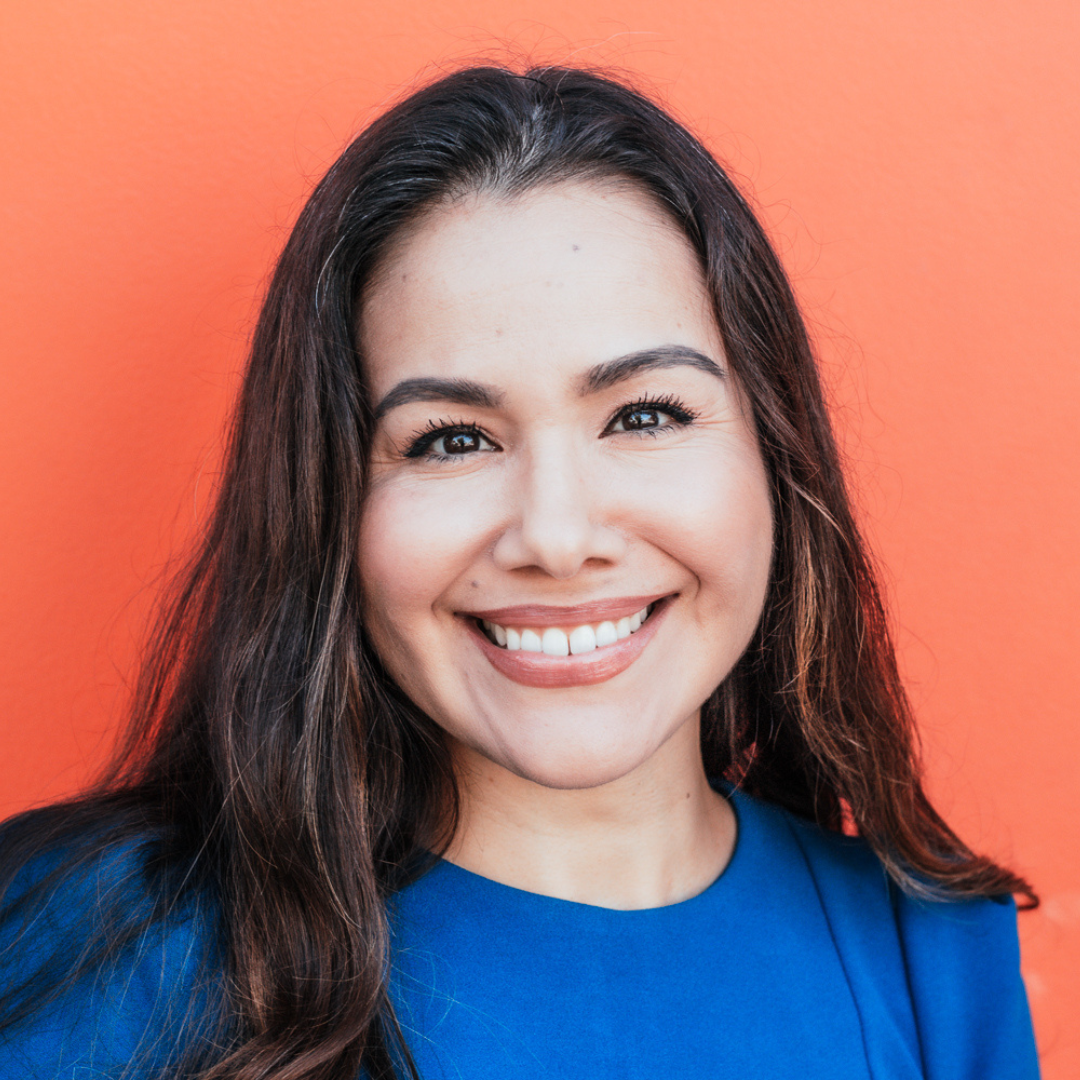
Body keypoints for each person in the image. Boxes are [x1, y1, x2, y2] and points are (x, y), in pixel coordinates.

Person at [0, 65, 1039, 1079]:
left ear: (776, 456)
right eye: (451, 439)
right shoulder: (85, 947)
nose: (554, 533)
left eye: (644, 416)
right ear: (332, 505)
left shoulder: (933, 958)